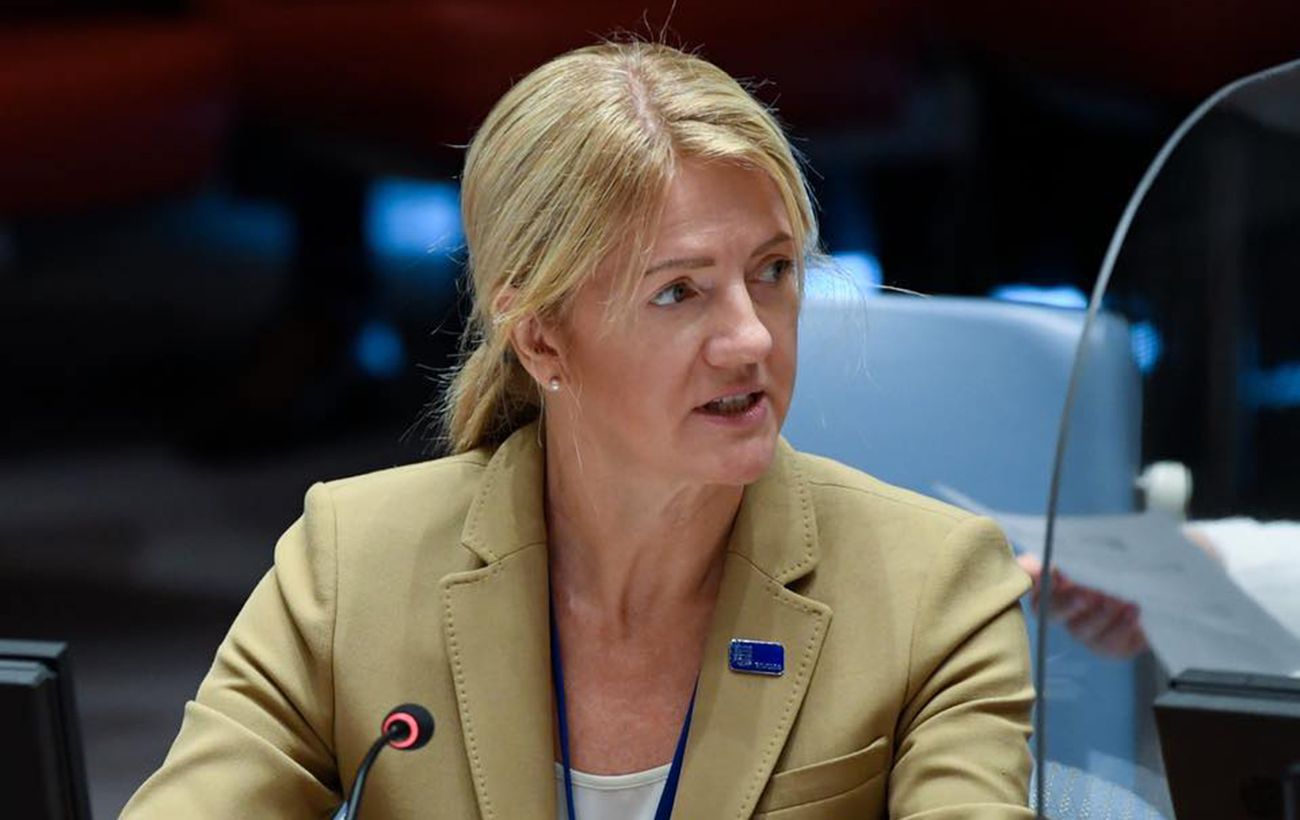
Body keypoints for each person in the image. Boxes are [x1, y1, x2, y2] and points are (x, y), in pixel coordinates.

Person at [123, 41, 1034, 818]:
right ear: (541, 338)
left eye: (773, 271)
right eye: (678, 291)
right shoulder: (352, 566)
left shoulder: (934, 592)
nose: (752, 338)